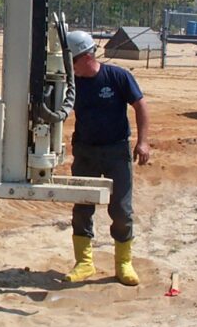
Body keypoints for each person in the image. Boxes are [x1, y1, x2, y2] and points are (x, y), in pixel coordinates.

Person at [62, 30, 150, 286]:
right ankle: (84, 263)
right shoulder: (72, 83)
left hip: (116, 152)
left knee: (121, 210)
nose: (71, 67)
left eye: (73, 61)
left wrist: (143, 142)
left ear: (87, 56)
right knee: (82, 208)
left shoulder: (117, 76)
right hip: (86, 152)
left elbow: (141, 106)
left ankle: (123, 263)